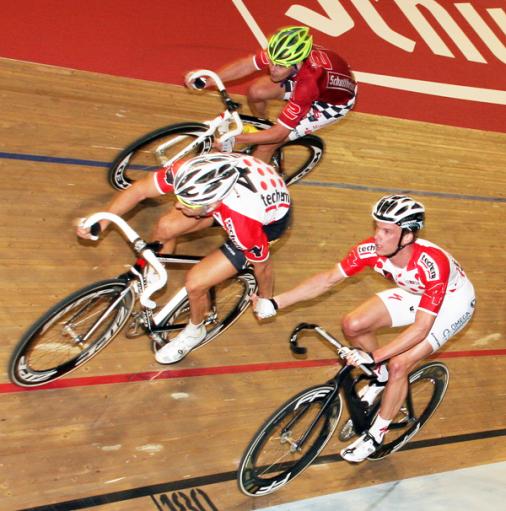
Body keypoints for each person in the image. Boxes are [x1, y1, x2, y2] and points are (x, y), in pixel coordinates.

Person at [253, 195, 475, 462]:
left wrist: (375, 356)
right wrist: (276, 303)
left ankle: (376, 435)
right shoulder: (370, 250)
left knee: (400, 364)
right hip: (417, 295)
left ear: (407, 236)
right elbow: (326, 280)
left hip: (452, 304)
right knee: (353, 324)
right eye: (376, 227)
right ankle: (380, 377)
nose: (377, 237)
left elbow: (421, 329)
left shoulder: (432, 264)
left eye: (386, 231)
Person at [76, 152, 291, 364]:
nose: (178, 205)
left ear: (211, 207)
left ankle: (195, 330)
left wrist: (266, 299)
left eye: (187, 204)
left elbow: (263, 267)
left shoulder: (243, 223)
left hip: (263, 223)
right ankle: (154, 274)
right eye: (179, 198)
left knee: (195, 283)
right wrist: (102, 222)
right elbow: (140, 190)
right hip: (235, 196)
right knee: (165, 226)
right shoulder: (188, 171)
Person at [185, 26, 357, 163]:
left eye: (280, 66)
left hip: (330, 103)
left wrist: (238, 139)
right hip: (313, 79)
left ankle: (251, 190)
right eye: (272, 62)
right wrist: (210, 80)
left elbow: (279, 134)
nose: (272, 69)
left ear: (296, 63)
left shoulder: (308, 84)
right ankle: (262, 126)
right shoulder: (283, 53)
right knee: (256, 91)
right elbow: (247, 65)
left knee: (266, 146)